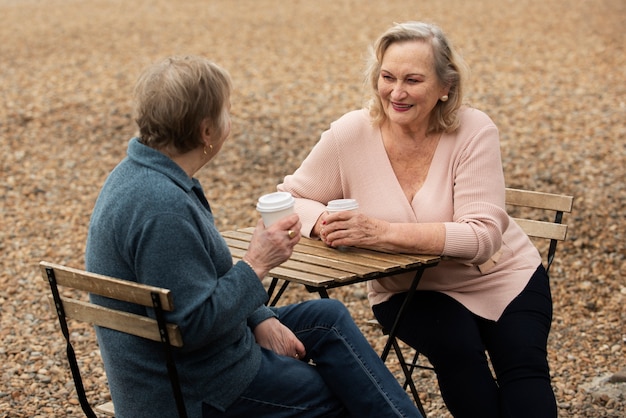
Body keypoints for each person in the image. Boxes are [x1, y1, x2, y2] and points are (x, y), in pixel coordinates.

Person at [85, 55, 423, 418]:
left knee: (328, 317)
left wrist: (259, 316)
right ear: (207, 132)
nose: (229, 121)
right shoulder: (162, 208)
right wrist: (257, 263)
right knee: (344, 396)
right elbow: (193, 327)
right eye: (226, 112)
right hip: (194, 388)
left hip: (190, 361)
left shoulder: (139, 173)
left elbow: (199, 286)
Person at [278, 21, 558, 418]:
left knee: (524, 369)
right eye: (387, 77)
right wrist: (322, 221)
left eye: (413, 80)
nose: (397, 92)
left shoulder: (474, 130)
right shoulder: (351, 134)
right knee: (460, 356)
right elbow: (288, 197)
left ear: (446, 86)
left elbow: (482, 239)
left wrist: (383, 232)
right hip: (409, 289)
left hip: (502, 276)